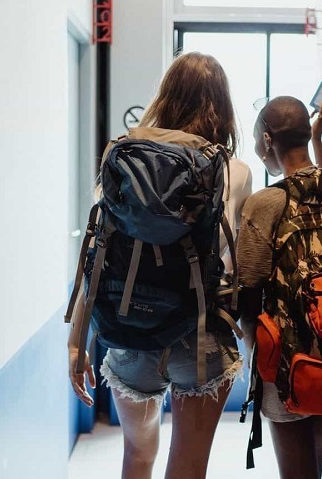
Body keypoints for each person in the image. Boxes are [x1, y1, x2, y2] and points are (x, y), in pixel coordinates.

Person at [67, 52, 251, 479]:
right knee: (188, 465)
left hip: (129, 325)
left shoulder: (121, 156)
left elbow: (97, 251)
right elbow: (237, 259)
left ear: (165, 95)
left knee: (137, 454)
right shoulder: (234, 169)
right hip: (199, 331)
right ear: (222, 106)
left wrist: (78, 342)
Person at [237, 96, 322, 479]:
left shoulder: (264, 203)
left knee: (296, 473)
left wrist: (252, 352)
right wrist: (319, 140)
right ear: (306, 135)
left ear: (268, 140)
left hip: (290, 361)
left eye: (259, 141)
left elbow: (249, 288)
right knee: (314, 466)